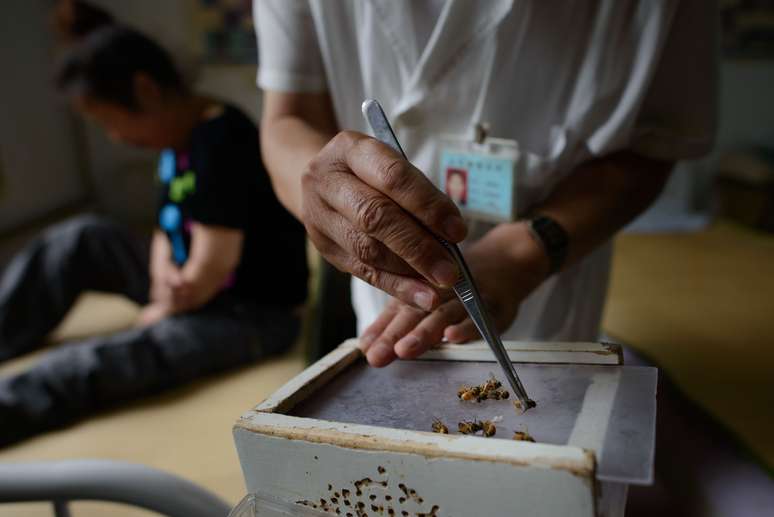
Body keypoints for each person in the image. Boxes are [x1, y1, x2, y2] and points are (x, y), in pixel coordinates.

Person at [254, 0, 716, 367]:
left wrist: (521, 254)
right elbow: (288, 117)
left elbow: (654, 144)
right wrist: (325, 190)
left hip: (555, 272)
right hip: (388, 297)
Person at [0, 1, 308, 447]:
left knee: (101, 359)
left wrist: (165, 307)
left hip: (247, 313)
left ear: (146, 91)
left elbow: (215, 262)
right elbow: (167, 224)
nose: (116, 138)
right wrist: (160, 271)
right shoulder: (174, 144)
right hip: (190, 286)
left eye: (112, 123)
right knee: (81, 237)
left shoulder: (222, 140)